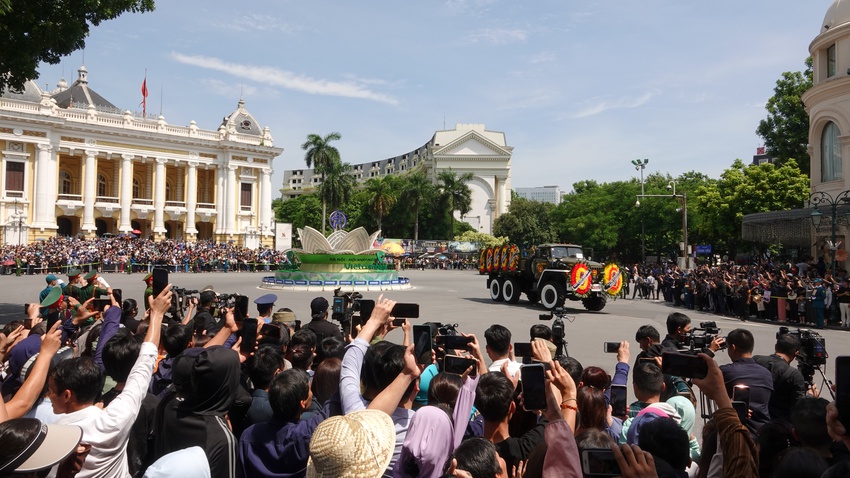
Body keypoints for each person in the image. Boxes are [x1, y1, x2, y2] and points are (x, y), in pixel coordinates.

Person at [47, 284, 171, 478]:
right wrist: (157, 315)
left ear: (67, 394)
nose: (47, 395)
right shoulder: (112, 419)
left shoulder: (49, 436)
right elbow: (144, 361)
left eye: (50, 390)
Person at [238, 368, 333, 477]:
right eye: (310, 390)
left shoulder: (248, 435)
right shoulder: (305, 435)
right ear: (303, 403)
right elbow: (330, 409)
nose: (312, 394)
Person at [719, 328, 773, 432]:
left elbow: (699, 377)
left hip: (734, 432)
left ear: (733, 348)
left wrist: (710, 351)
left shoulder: (726, 371)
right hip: (762, 433)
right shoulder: (766, 374)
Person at [752, 333, 810, 422]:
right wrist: (810, 397)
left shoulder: (756, 360)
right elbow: (799, 408)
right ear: (796, 353)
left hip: (754, 419)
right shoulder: (794, 375)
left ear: (776, 347)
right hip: (779, 426)